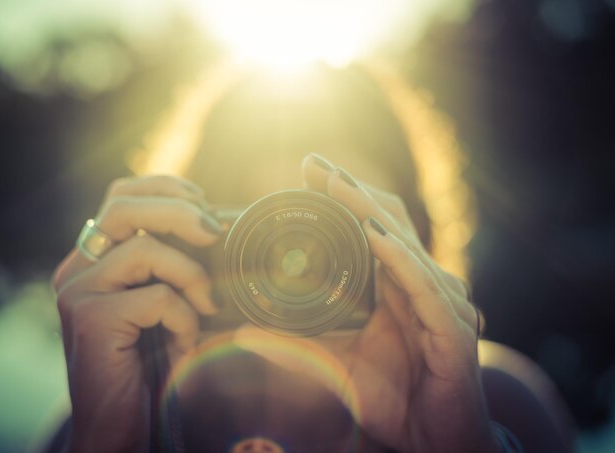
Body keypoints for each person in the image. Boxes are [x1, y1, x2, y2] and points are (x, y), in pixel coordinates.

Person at [49, 64, 572, 452]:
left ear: (409, 237)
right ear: (178, 239)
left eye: (331, 228)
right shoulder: (118, 411)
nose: (291, 268)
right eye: (252, 229)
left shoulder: (496, 403)